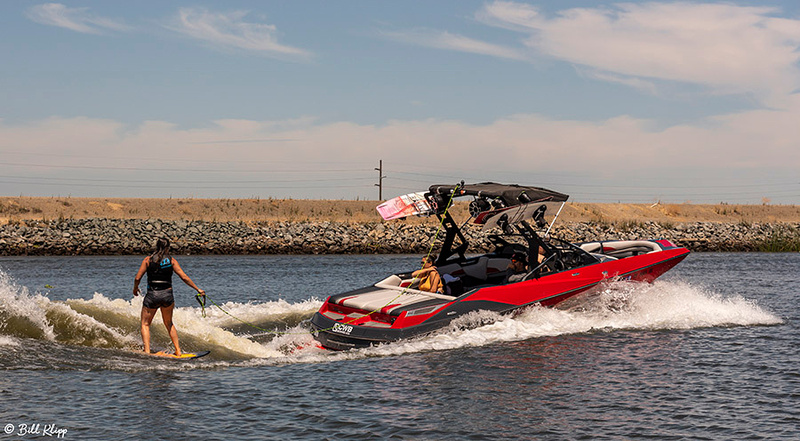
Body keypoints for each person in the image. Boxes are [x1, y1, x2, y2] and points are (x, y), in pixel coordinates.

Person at [133, 238, 205, 356]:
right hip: (167, 295)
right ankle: (178, 351)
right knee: (169, 323)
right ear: (168, 248)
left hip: (152, 296)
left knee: (145, 324)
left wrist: (135, 289)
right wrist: (198, 289)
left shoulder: (147, 260)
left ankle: (147, 352)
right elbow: (184, 277)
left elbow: (137, 278)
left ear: (157, 247)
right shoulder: (172, 261)